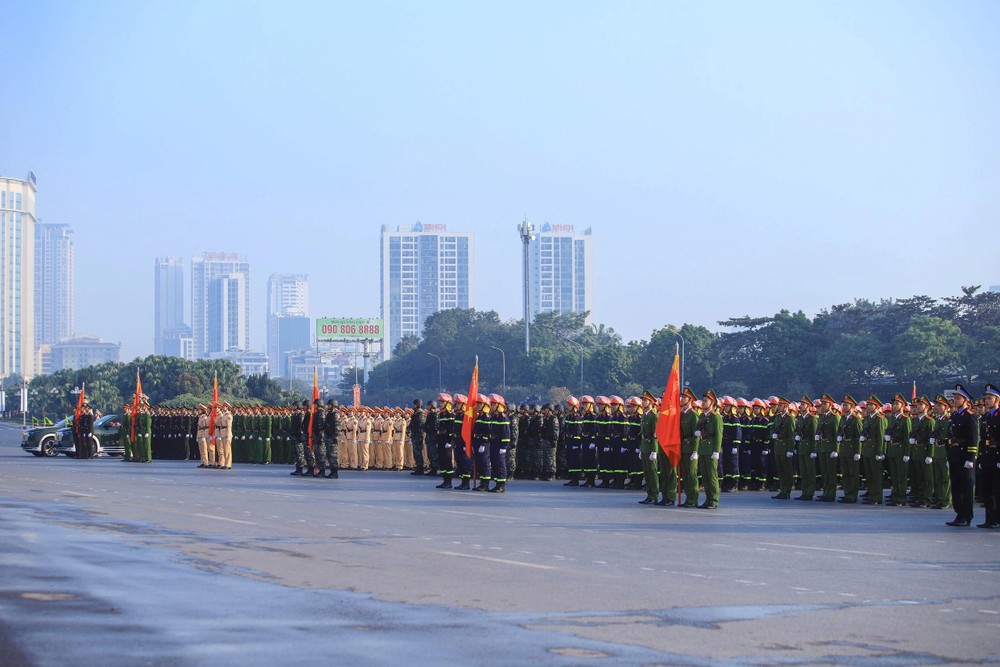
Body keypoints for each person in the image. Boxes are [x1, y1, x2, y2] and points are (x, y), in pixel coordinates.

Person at [946, 384, 979, 527]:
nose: (955, 400)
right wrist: (948, 456)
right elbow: (950, 437)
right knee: (956, 487)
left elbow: (973, 438)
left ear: (965, 400)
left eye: (958, 398)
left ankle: (966, 516)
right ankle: (959, 514)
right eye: (954, 398)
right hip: (954, 455)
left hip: (965, 456)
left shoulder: (969, 417)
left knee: (966, 488)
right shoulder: (954, 416)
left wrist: (970, 458)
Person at [977, 384, 1000, 529]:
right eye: (986, 398)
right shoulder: (985, 417)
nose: (986, 401)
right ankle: (989, 519)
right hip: (987, 457)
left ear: (997, 400)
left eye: (989, 398)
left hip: (997, 457)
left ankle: (997, 519)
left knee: (998, 490)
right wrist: (980, 457)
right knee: (986, 490)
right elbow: (982, 439)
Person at [695, 390, 722, 508]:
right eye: (703, 400)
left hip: (711, 449)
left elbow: (718, 435)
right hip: (703, 448)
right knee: (705, 477)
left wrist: (716, 451)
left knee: (712, 476)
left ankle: (714, 500)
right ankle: (708, 499)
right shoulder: (702, 416)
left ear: (712, 403)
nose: (703, 402)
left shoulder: (716, 417)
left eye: (706, 401)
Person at [885, 394, 912, 506]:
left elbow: (907, 438)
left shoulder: (905, 420)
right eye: (893, 404)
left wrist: (907, 453)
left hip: (901, 450)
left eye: (897, 404)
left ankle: (901, 498)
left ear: (902, 405)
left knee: (901, 476)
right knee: (894, 476)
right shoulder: (892, 419)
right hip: (892, 449)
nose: (894, 406)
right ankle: (895, 496)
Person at [837, 396, 863, 503]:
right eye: (843, 405)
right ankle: (847, 494)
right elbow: (840, 431)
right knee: (845, 474)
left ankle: (852, 496)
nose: (844, 407)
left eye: (846, 405)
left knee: (853, 474)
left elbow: (858, 437)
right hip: (844, 449)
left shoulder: (856, 420)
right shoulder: (843, 418)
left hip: (852, 449)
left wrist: (858, 452)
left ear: (852, 406)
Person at [815, 395, 841, 502]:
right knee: (824, 472)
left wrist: (836, 449)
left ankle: (831, 494)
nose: (822, 406)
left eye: (825, 404)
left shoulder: (834, 417)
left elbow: (836, 435)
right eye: (822, 404)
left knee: (831, 472)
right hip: (822, 447)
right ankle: (825, 492)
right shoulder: (822, 417)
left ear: (830, 405)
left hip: (830, 448)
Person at [679, 388, 701, 506]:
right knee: (686, 475)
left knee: (692, 475)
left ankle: (693, 499)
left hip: (690, 447)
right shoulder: (682, 414)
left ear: (690, 400)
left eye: (684, 397)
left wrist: (695, 451)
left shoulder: (693, 415)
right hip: (683, 447)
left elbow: (696, 435)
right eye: (682, 397)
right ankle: (688, 498)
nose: (682, 399)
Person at [488, 394, 511, 493]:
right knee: (495, 464)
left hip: (499, 444)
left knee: (500, 464)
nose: (491, 406)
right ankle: (497, 483)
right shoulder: (494, 417)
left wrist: (504, 446)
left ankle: (501, 485)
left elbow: (506, 433)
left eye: (493, 404)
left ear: (499, 405)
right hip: (493, 443)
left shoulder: (503, 418)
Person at [323, 400, 341, 478]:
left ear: (333, 405)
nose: (328, 406)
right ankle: (332, 471)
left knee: (333, 456)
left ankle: (335, 472)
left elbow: (337, 427)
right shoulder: (329, 413)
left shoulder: (335, 414)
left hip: (333, 437)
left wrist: (336, 437)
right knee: (329, 455)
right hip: (328, 437)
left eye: (329, 405)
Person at [409, 399, 426, 475]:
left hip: (418, 436)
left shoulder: (420, 414)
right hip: (415, 435)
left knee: (418, 452)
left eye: (415, 405)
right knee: (416, 452)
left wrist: (418, 435)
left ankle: (420, 468)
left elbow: (420, 426)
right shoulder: (415, 414)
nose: (414, 406)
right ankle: (418, 467)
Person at [216, 403, 233, 469]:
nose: (223, 408)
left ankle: (228, 464)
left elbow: (228, 426)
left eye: (224, 407)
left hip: (226, 433)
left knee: (227, 450)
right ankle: (225, 463)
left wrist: (228, 435)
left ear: (227, 407)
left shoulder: (228, 415)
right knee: (224, 450)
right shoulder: (224, 415)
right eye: (223, 407)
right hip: (223, 433)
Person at [196, 404, 212, 468]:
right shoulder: (200, 417)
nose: (198, 411)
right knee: (201, 449)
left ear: (202, 410)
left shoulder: (204, 417)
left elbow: (205, 427)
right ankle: (202, 462)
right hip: (199, 433)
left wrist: (203, 436)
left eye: (199, 410)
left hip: (203, 433)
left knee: (204, 449)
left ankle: (206, 462)